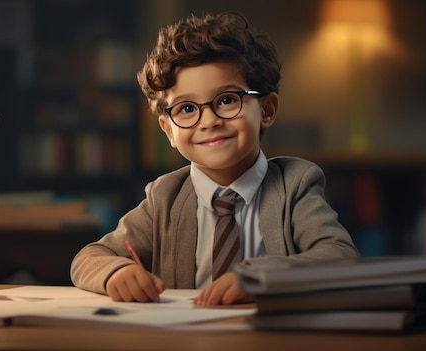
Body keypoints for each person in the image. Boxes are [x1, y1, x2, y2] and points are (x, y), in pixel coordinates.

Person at [70, 11, 359, 305]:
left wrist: (263, 276)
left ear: (267, 110)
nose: (208, 121)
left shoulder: (295, 185)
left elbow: (341, 256)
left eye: (227, 100)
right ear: (168, 130)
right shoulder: (165, 197)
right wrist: (115, 273)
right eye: (185, 109)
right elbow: (88, 258)